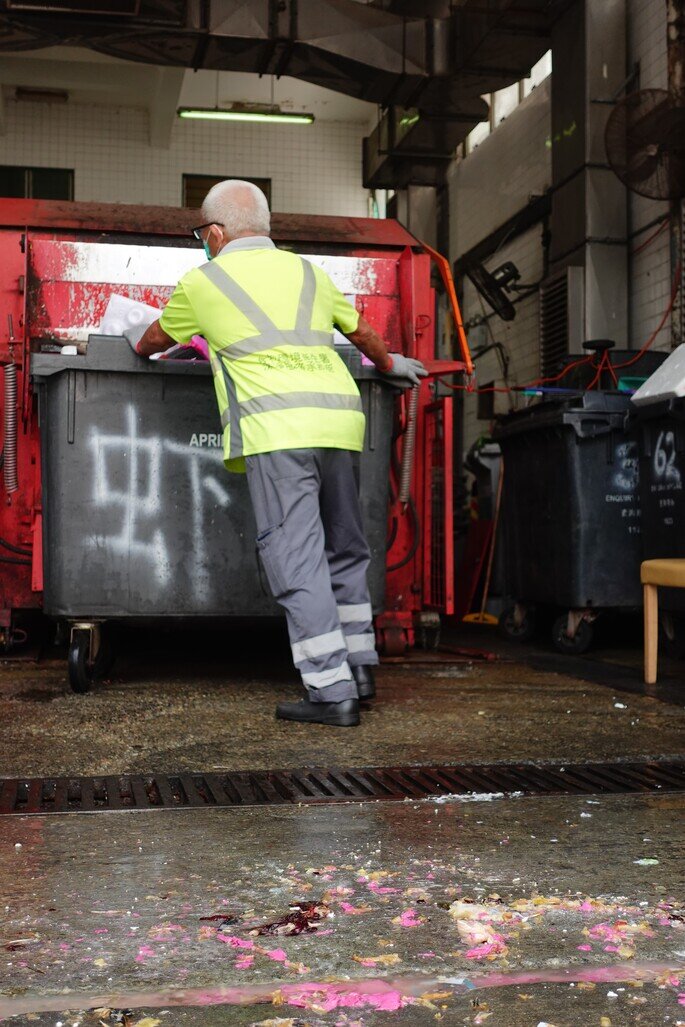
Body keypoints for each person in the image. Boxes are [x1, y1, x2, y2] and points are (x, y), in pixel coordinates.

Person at [126, 180, 427, 727]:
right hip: (338, 421)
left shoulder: (204, 282)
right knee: (344, 546)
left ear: (215, 234)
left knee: (296, 557)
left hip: (276, 427)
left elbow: (150, 342)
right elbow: (361, 333)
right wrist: (391, 366)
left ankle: (330, 691)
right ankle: (359, 669)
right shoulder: (310, 273)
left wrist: (135, 338)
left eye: (203, 234)